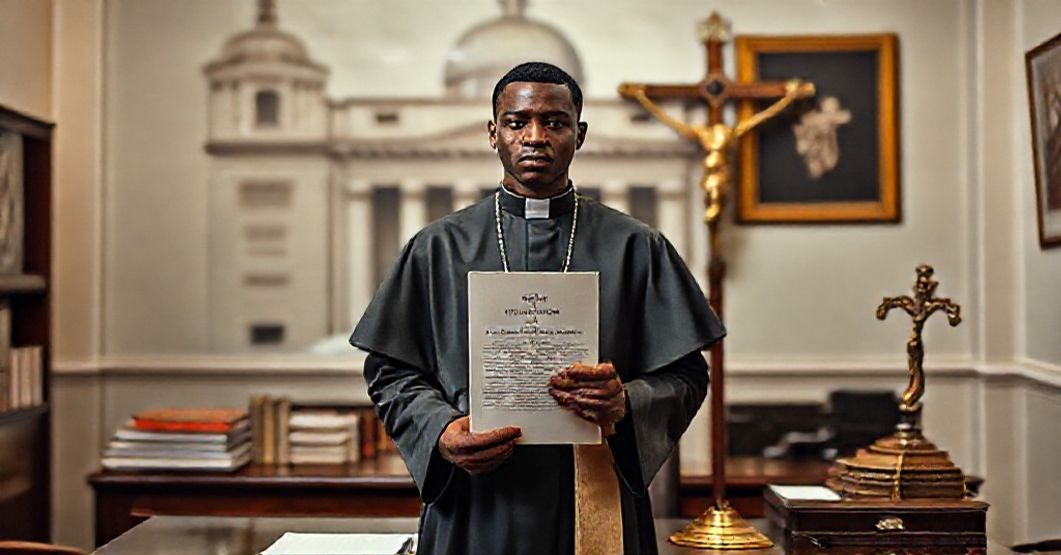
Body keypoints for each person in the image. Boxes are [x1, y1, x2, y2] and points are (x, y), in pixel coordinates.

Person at [350, 62, 724, 555]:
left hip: (595, 496)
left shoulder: (636, 247)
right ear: (493, 133)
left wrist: (626, 402)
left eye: (554, 122)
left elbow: (687, 376)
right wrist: (440, 431)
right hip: (475, 502)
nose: (535, 137)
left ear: (579, 134)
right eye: (517, 121)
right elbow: (391, 372)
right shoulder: (437, 248)